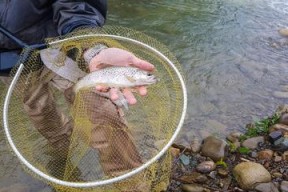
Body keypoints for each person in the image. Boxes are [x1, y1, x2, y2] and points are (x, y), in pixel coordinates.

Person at [0, 1, 153, 191]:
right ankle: (66, 155)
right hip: (9, 64)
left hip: (60, 48)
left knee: (102, 112)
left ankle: (131, 184)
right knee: (41, 113)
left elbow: (76, 5)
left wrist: (92, 48)